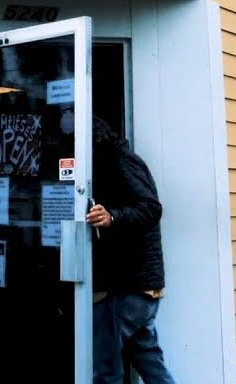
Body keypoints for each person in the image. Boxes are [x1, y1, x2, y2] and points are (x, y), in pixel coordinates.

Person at [85, 116, 175, 384]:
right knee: (150, 363)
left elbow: (151, 208)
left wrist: (113, 217)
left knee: (106, 369)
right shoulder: (116, 161)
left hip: (127, 287)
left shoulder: (121, 161)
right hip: (137, 287)